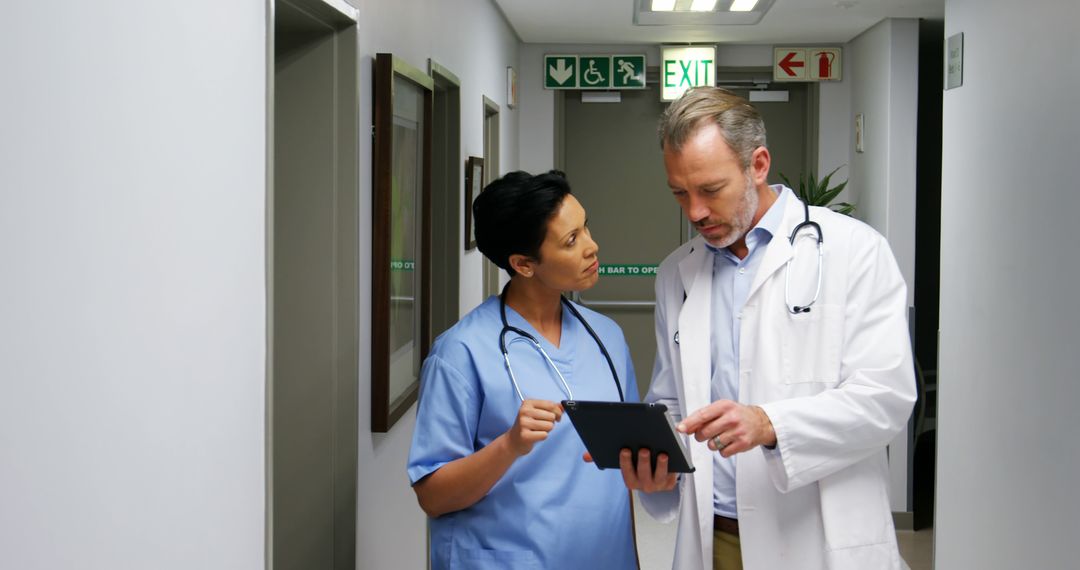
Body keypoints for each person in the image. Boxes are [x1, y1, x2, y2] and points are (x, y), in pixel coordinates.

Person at [624, 87, 917, 569]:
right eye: (680, 192)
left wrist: (769, 424)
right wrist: (657, 465)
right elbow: (672, 399)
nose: (694, 212)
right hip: (714, 533)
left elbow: (885, 397)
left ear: (757, 165)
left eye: (711, 190)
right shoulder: (677, 272)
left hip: (815, 531)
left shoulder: (854, 251)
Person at [407, 170, 639, 569]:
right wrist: (509, 445)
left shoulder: (608, 338)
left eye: (585, 229)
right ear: (523, 264)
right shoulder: (462, 352)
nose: (592, 246)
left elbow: (626, 467)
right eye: (571, 240)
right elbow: (433, 496)